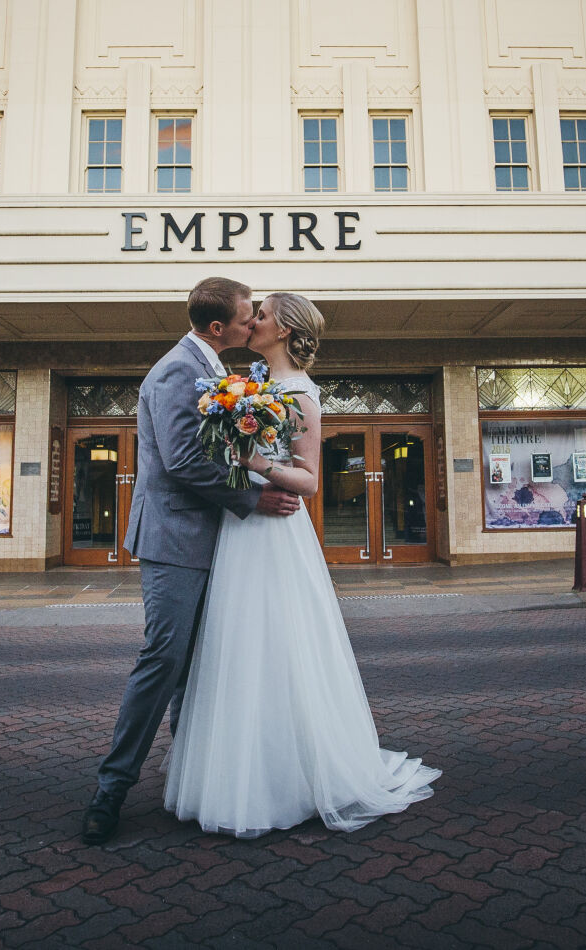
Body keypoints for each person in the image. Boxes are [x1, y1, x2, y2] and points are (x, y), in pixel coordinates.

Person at [162, 292, 440, 837]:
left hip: (276, 534)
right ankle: (242, 771)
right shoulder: (254, 388)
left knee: (280, 645)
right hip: (242, 532)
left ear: (285, 330)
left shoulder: (299, 395)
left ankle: (292, 778)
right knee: (238, 646)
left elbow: (310, 480)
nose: (252, 322)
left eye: (260, 315)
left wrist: (252, 459)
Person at [81, 277, 301, 845]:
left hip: (215, 539)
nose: (254, 323)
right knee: (164, 659)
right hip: (176, 539)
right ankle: (112, 788)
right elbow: (181, 460)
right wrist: (253, 497)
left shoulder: (216, 368)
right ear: (216, 328)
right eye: (248, 315)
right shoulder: (180, 370)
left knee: (200, 665)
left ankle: (188, 774)